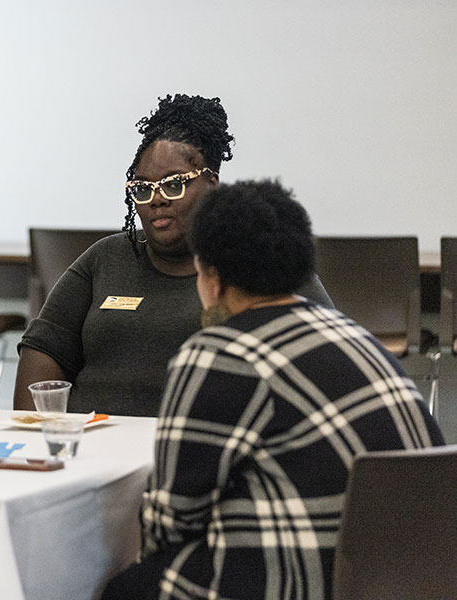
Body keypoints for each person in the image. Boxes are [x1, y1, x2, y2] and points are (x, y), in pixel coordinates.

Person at [101, 180, 444, 600]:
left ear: (212, 276)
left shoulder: (219, 353)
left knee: (122, 586)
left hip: (302, 584)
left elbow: (170, 522)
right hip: (409, 579)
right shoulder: (351, 333)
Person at [14, 94, 333, 416]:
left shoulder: (258, 259)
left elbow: (324, 354)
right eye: (143, 188)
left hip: (199, 448)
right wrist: (41, 437)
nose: (157, 199)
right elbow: (44, 349)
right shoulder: (105, 258)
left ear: (212, 184)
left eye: (174, 184)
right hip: (89, 445)